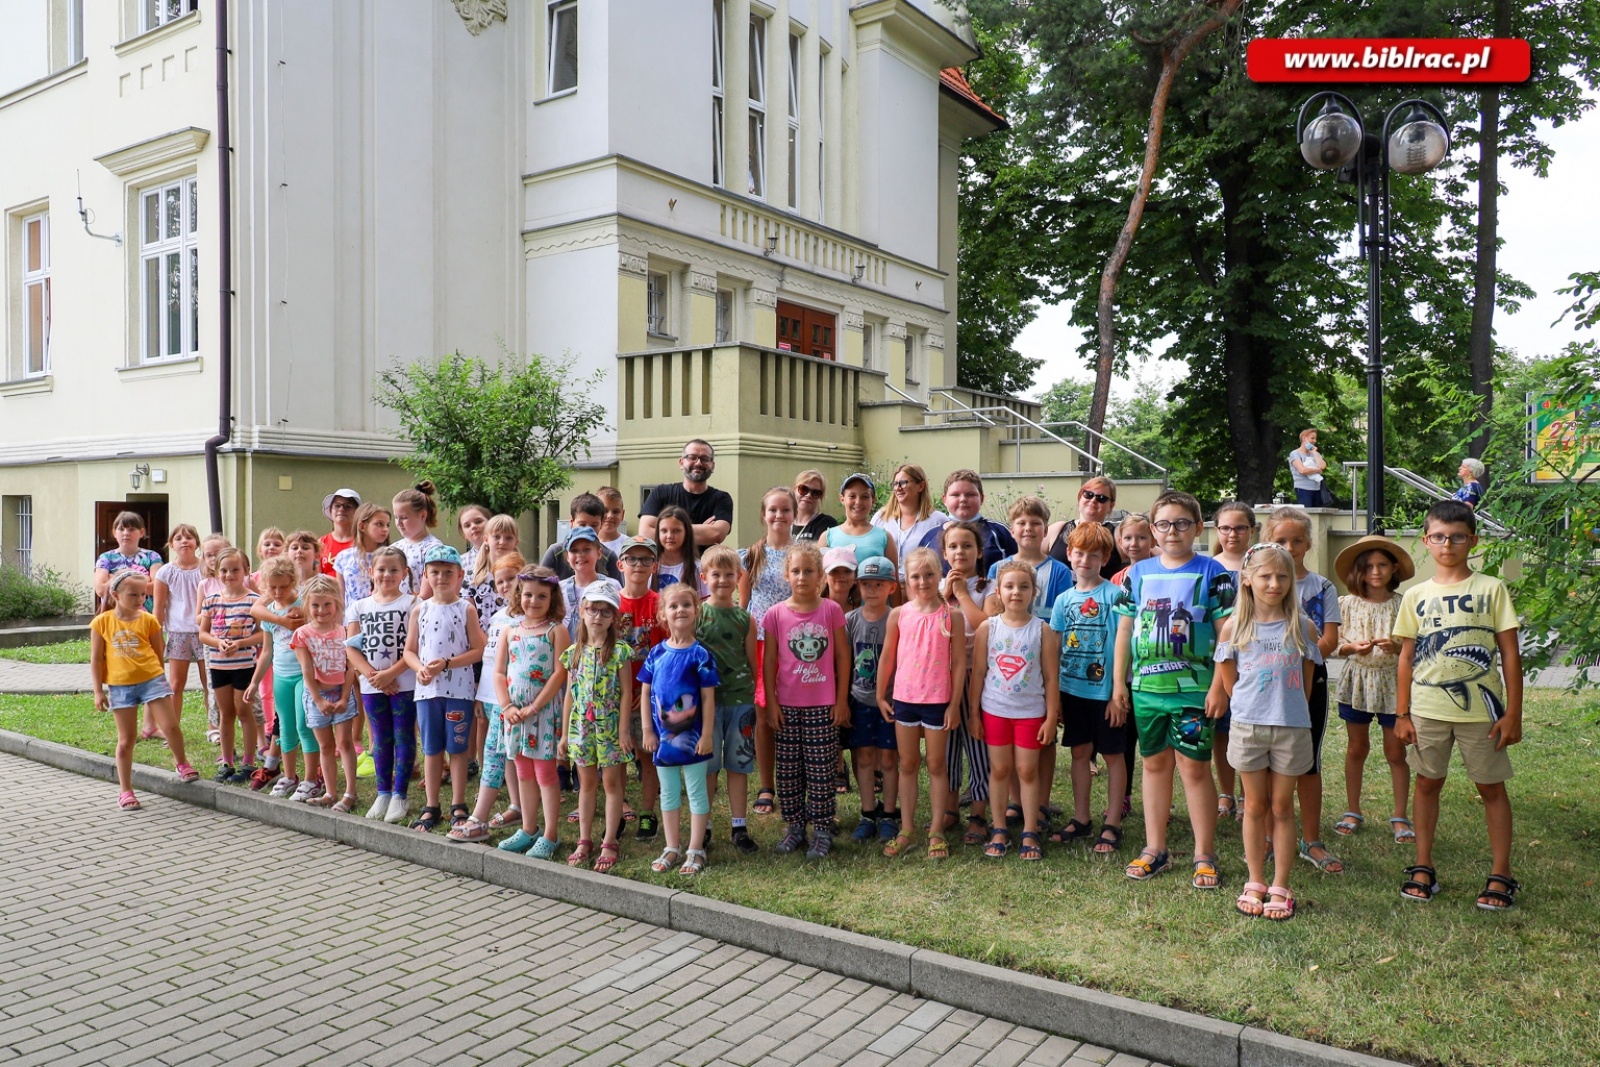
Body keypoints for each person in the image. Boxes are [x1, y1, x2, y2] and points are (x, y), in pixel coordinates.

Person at [1393, 500, 1523, 910]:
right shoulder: (1416, 595)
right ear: (1427, 541)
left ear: (1473, 540)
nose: (1447, 544)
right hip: (1427, 709)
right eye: (1438, 537)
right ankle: (1422, 865)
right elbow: (1406, 657)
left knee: (1490, 787)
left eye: (1457, 537)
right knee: (1427, 782)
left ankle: (1501, 872)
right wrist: (1402, 712)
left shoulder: (1492, 589)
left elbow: (1510, 655)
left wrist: (1513, 712)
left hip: (1483, 714)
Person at [1112, 490, 1235, 889]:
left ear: (1199, 528)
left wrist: (1219, 685)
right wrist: (1119, 682)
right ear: (1152, 530)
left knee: (1195, 768)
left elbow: (1226, 635)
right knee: (1153, 764)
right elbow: (1126, 629)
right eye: (1164, 524)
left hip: (1194, 693)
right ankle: (1155, 848)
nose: (1173, 531)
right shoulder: (1138, 574)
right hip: (1147, 691)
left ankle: (1204, 853)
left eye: (1182, 523)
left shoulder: (1214, 574)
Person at [1212, 544, 1322, 921]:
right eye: (1265, 576)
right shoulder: (1234, 626)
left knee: (1281, 807)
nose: (1273, 584)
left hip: (1291, 729)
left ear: (1292, 580)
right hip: (1248, 727)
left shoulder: (1303, 626)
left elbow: (1307, 684)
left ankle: (1281, 884)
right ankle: (1255, 880)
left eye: (1282, 576)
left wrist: (1286, 709)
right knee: (1254, 807)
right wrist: (1254, 706)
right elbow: (1230, 682)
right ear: (1247, 579)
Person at [1263, 505, 1344, 874]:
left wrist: (1299, 653)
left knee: (1307, 762)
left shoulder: (1321, 587)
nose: (1289, 547)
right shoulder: (1255, 584)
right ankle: (1268, 837)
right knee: (1264, 763)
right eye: (1281, 540)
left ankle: (1311, 839)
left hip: (1309, 682)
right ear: (1267, 541)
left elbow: (1329, 639)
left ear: (1308, 544)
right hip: (1264, 685)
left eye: (1297, 540)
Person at [762, 543, 851, 859]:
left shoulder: (831, 611)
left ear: (821, 577)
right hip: (786, 707)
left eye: (809, 571)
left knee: (821, 771)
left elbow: (842, 656)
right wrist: (772, 704)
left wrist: (841, 700)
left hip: (823, 706)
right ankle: (795, 827)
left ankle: (823, 830)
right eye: (796, 571)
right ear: (787, 574)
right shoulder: (775, 614)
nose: (802, 577)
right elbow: (770, 661)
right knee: (787, 773)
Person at [877, 547, 966, 860]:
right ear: (906, 580)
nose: (923, 581)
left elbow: (958, 664)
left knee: (936, 765)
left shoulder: (951, 615)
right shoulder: (898, 614)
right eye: (916, 576)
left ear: (939, 576)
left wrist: (954, 705)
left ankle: (937, 830)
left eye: (929, 575)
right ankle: (907, 829)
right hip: (905, 699)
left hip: (938, 701)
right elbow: (887, 656)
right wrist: (880, 694)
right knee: (909, 763)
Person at [1048, 522, 1129, 855]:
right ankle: (1081, 818)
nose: (1084, 560)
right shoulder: (1063, 599)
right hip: (1073, 692)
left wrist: (1116, 692)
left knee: (1112, 755)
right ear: (1069, 554)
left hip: (1106, 693)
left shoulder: (1115, 596)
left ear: (1105, 558)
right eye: (1079, 553)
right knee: (1080, 753)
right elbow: (1054, 650)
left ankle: (1112, 823)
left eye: (1093, 555)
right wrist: (1056, 699)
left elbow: (1122, 645)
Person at [972, 560, 1059, 862]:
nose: (1016, 592)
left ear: (1034, 591)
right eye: (1009, 586)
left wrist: (1051, 717)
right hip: (994, 710)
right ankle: (998, 829)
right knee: (1000, 770)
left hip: (1030, 712)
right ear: (998, 591)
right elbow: (979, 673)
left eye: (1023, 586)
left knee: (1026, 770)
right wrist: (973, 714)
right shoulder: (988, 627)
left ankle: (1031, 830)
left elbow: (1050, 677)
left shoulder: (1042, 631)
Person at [1331, 534, 1414, 844]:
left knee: (1396, 751)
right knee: (1356, 748)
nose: (1376, 572)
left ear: (1394, 569)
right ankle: (1353, 809)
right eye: (1368, 567)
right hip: (1358, 682)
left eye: (1382, 565)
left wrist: (1397, 646)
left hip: (1395, 683)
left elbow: (1415, 644)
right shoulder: (1346, 604)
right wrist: (1352, 647)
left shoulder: (1403, 604)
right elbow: (1334, 643)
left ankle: (1400, 814)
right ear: (1359, 572)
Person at [403, 545, 487, 833]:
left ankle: (458, 803)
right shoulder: (419, 610)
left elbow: (478, 649)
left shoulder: (466, 609)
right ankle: (431, 804)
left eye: (448, 572)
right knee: (432, 747)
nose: (441, 578)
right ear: (425, 574)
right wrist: (420, 669)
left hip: (459, 691)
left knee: (458, 748)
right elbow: (409, 651)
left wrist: (447, 664)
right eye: (435, 572)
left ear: (459, 574)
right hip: (427, 692)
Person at [639, 583, 721, 875]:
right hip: (662, 741)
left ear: (696, 610)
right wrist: (648, 731)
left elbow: (709, 698)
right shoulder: (656, 654)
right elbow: (645, 692)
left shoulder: (701, 655)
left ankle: (696, 849)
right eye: (673, 606)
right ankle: (672, 847)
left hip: (694, 739)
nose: (680, 610)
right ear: (663, 614)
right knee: (669, 793)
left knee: (697, 792)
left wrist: (708, 734)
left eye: (686, 604)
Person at [92, 570, 192, 807]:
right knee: (127, 739)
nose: (139, 600)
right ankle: (126, 790)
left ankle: (182, 763)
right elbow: (96, 659)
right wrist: (98, 690)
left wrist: (159, 677)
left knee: (170, 726)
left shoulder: (149, 620)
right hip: (120, 686)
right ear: (115, 595)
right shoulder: (101, 623)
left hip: (152, 680)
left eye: (142, 595)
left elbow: (158, 652)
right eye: (133, 595)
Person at [449, 552, 528, 843]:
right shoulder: (497, 618)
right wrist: (481, 697)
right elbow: (491, 659)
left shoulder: (527, 618)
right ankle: (516, 807)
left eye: (512, 579)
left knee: (497, 754)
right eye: (500, 582)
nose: (506, 586)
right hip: (493, 698)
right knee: (502, 754)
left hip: (515, 699)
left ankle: (478, 818)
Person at [559, 582, 635, 874]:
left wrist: (624, 730)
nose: (598, 617)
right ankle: (584, 839)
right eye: (593, 609)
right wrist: (565, 734)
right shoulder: (573, 653)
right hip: (582, 728)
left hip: (610, 728)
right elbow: (569, 695)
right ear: (582, 610)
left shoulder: (619, 652)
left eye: (605, 612)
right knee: (587, 784)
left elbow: (627, 693)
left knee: (612, 785)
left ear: (614, 617)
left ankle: (609, 840)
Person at [496, 568, 569, 857]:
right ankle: (528, 828)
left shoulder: (556, 631)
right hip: (514, 716)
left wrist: (535, 706)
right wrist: (507, 706)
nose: (534, 601)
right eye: (528, 594)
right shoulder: (510, 630)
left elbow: (560, 672)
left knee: (545, 773)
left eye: (542, 596)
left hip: (543, 713)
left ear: (552, 598)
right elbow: (499, 672)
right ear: (518, 595)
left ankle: (550, 835)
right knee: (523, 770)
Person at [345, 545, 418, 824]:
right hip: (372, 684)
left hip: (405, 683)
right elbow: (352, 648)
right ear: (370, 571)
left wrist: (393, 673)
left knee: (403, 737)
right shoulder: (359, 606)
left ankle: (400, 794)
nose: (387, 574)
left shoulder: (413, 604)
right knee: (380, 739)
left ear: (404, 573)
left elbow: (417, 646)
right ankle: (383, 792)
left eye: (393, 570)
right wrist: (373, 675)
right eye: (381, 569)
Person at [697, 545, 761, 854]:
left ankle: (739, 825)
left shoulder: (745, 619)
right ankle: (704, 826)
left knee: (739, 765)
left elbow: (752, 663)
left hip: (739, 701)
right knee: (708, 767)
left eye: (729, 575)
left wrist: (754, 696)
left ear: (739, 577)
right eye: (716, 574)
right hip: (707, 704)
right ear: (704, 577)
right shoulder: (695, 614)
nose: (722, 580)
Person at [940, 521, 992, 847]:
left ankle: (978, 812)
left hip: (977, 675)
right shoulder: (935, 587)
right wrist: (945, 594)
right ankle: (948, 807)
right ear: (944, 553)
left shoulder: (989, 586)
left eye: (967, 546)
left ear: (979, 551)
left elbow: (986, 626)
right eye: (954, 547)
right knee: (946, 746)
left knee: (977, 745)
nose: (960, 552)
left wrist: (961, 594)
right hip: (942, 677)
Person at [247, 557, 316, 801]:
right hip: (281, 675)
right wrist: (255, 681)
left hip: (303, 675)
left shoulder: (302, 605)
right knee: (285, 727)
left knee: (303, 726)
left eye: (283, 587)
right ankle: (288, 776)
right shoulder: (270, 612)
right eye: (272, 587)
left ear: (293, 582)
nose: (277, 592)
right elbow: (267, 650)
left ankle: (311, 779)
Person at [292, 575, 362, 812]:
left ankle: (350, 793)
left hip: (341, 693)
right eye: (315, 605)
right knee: (326, 746)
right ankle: (331, 792)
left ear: (337, 604)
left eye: (327, 605)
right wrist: (318, 699)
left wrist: (343, 697)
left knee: (345, 743)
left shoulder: (344, 633)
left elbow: (349, 666)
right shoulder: (302, 634)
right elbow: (306, 669)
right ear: (307, 606)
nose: (321, 610)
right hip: (316, 698)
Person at [1207, 501, 1257, 822]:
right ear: (1216, 530)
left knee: (1250, 730)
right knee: (1222, 729)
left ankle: (1246, 792)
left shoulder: (1259, 563)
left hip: (1256, 658)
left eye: (1239, 528)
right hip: (1219, 658)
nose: (1232, 534)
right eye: (1225, 528)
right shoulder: (1210, 567)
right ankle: (1226, 791)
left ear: (1251, 530)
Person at [845, 555, 899, 845]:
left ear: (891, 587)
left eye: (879, 584)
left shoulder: (898, 617)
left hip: (892, 701)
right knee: (864, 756)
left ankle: (889, 813)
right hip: (860, 698)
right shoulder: (850, 620)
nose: (872, 590)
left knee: (889, 758)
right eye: (866, 584)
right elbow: (845, 662)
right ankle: (868, 812)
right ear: (858, 585)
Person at [199, 547, 263, 785]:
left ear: (246, 571)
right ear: (216, 572)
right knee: (225, 714)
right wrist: (218, 642)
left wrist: (241, 643)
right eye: (224, 570)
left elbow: (262, 635)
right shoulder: (211, 600)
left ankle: (248, 762)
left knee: (244, 712)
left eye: (235, 570)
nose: (229, 574)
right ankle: (227, 763)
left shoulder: (254, 601)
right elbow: (203, 634)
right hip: (218, 665)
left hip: (244, 665)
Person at [617, 536, 665, 839]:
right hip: (616, 695)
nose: (638, 565)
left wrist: (645, 691)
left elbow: (664, 653)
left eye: (645, 559)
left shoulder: (660, 604)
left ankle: (647, 812)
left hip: (648, 694)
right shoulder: (610, 602)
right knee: (619, 756)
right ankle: (618, 808)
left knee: (648, 755)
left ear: (654, 566)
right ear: (620, 564)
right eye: (631, 559)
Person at [153, 525, 206, 751]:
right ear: (171, 544)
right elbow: (159, 606)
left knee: (209, 683)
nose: (184, 541)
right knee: (176, 684)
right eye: (178, 538)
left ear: (197, 542)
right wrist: (157, 636)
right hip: (177, 632)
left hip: (204, 631)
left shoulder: (206, 569)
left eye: (189, 537)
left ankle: (215, 727)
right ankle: (171, 731)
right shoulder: (165, 572)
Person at [637, 439, 734, 548]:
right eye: (692, 457)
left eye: (705, 459)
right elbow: (645, 533)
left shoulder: (721, 499)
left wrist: (665, 530)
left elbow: (717, 534)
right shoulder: (661, 493)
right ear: (681, 463)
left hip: (703, 564)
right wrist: (701, 531)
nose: (698, 463)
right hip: (665, 564)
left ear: (712, 466)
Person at [919, 469, 1017, 576]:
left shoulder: (1001, 532)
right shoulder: (930, 537)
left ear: (982, 498)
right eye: (955, 495)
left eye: (970, 494)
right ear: (945, 499)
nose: (963, 499)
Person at [872, 463, 949, 569]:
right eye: (895, 484)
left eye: (903, 483)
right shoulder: (881, 517)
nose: (898, 488)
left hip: (921, 584)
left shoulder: (938, 521)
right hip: (886, 583)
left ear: (921, 486)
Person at [1045, 477, 1124, 580]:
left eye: (1101, 498)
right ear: (1079, 498)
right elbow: (1030, 557)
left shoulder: (1117, 535)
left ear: (1111, 506)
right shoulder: (1057, 529)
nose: (1093, 500)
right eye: (1088, 495)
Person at [820, 473, 896, 572]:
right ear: (842, 499)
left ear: (873, 500)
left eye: (865, 497)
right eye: (852, 496)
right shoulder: (827, 537)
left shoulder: (884, 538)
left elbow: (894, 583)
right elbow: (818, 581)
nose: (858, 502)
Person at [94, 510, 165, 613]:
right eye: (121, 529)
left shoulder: (152, 557)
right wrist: (143, 579)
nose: (126, 533)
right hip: (115, 617)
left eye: (131, 529)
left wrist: (114, 579)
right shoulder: (105, 558)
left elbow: (156, 587)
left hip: (145, 617)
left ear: (141, 532)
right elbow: (101, 590)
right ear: (114, 533)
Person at [540, 493, 623, 581]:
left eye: (594, 525)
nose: (587, 530)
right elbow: (539, 585)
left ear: (601, 524)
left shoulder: (609, 557)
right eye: (582, 525)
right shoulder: (555, 552)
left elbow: (617, 591)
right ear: (572, 522)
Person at [557, 527, 620, 638]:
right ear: (567, 557)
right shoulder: (559, 589)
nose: (580, 554)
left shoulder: (612, 586)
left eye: (586, 549)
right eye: (574, 550)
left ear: (599, 553)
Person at [331, 503, 392, 604]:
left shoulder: (391, 557)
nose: (385, 529)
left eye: (387, 525)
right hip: (352, 617)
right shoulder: (343, 557)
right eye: (379, 524)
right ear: (362, 526)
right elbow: (340, 596)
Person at [392, 482, 445, 597]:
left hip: (419, 611)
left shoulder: (433, 548)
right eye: (396, 517)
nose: (399, 523)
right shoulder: (394, 548)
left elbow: (427, 595)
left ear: (423, 515)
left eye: (404, 517)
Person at [650, 506, 701, 593]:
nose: (669, 536)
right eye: (664, 531)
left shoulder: (698, 568)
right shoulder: (649, 565)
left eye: (676, 531)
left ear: (686, 532)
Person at [318, 488, 362, 576]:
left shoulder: (364, 543)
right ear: (330, 510)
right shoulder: (321, 543)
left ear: (357, 512)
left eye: (347, 506)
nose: (341, 509)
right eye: (337, 506)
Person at [790, 469, 839, 543]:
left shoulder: (827, 524)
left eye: (815, 493)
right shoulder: (784, 520)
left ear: (820, 497)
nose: (808, 495)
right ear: (794, 490)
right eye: (803, 489)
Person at [1288, 429, 1328, 509]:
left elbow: (1323, 466)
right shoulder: (1295, 454)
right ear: (1304, 438)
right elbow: (1302, 470)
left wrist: (1314, 453)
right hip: (1303, 488)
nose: (1314, 441)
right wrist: (1317, 470)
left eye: (1315, 439)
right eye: (1312, 438)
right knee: (1307, 512)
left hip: (1317, 488)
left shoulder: (1315, 454)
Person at [455, 503, 491, 576]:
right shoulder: (461, 562)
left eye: (478, 521)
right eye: (467, 525)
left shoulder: (505, 553)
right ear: (463, 534)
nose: (473, 526)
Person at [595, 486, 629, 555]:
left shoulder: (629, 545)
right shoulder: (586, 544)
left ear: (622, 515)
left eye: (616, 512)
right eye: (604, 511)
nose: (610, 516)